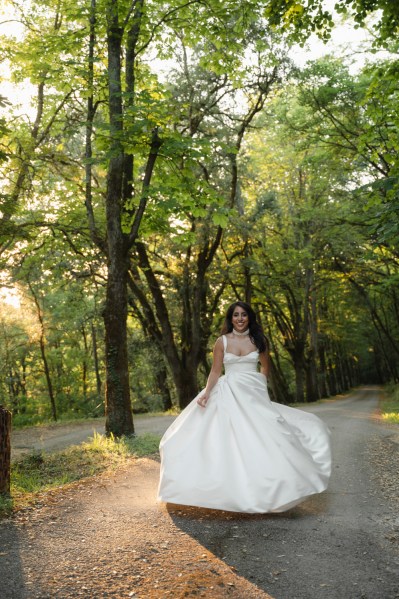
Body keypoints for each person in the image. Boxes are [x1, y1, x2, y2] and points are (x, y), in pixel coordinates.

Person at [157, 301, 331, 513]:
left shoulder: (260, 341)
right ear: (231, 318)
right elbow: (215, 371)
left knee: (267, 436)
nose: (240, 318)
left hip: (252, 395)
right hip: (228, 391)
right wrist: (207, 392)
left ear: (249, 318)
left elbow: (265, 368)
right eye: (236, 315)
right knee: (220, 438)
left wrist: (259, 389)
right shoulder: (221, 342)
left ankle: (272, 488)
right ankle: (225, 490)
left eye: (244, 315)